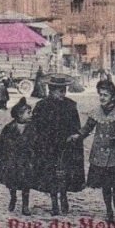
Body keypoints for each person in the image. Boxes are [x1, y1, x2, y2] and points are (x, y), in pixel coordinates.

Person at [70, 79, 115, 224]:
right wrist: (78, 136)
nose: (102, 98)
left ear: (112, 96)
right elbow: (87, 128)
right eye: (100, 94)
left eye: (105, 95)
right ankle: (109, 211)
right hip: (100, 154)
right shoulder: (95, 113)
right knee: (105, 184)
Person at [29, 74, 85, 216]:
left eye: (64, 90)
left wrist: (74, 137)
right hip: (47, 146)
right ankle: (54, 202)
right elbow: (34, 127)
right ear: (51, 90)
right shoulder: (41, 106)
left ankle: (64, 197)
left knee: (64, 174)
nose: (63, 94)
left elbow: (76, 126)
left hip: (66, 145)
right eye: (60, 91)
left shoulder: (70, 105)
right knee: (51, 175)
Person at [0, 98, 35, 216]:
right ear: (19, 114)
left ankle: (25, 205)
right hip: (13, 160)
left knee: (26, 183)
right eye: (28, 113)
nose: (31, 115)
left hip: (27, 160)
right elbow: (1, 145)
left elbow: (37, 142)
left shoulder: (32, 127)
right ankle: (13, 198)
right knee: (12, 182)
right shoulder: (9, 128)